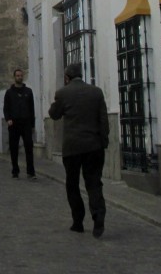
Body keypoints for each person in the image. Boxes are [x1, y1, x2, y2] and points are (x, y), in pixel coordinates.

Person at [48, 61, 110, 237]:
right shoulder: (96, 92)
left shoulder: (63, 93)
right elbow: (103, 121)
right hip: (94, 146)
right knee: (94, 183)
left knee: (72, 184)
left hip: (72, 147)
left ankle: (78, 221)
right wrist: (103, 142)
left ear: (67, 77)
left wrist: (57, 101)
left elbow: (54, 114)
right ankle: (98, 216)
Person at [3, 68, 36, 179]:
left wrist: (32, 125)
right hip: (14, 123)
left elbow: (32, 109)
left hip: (26, 123)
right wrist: (8, 119)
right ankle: (15, 170)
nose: (19, 77)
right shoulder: (9, 93)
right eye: (17, 75)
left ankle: (31, 172)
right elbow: (6, 108)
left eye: (21, 75)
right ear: (14, 77)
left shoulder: (28, 92)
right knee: (14, 148)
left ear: (23, 76)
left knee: (29, 147)